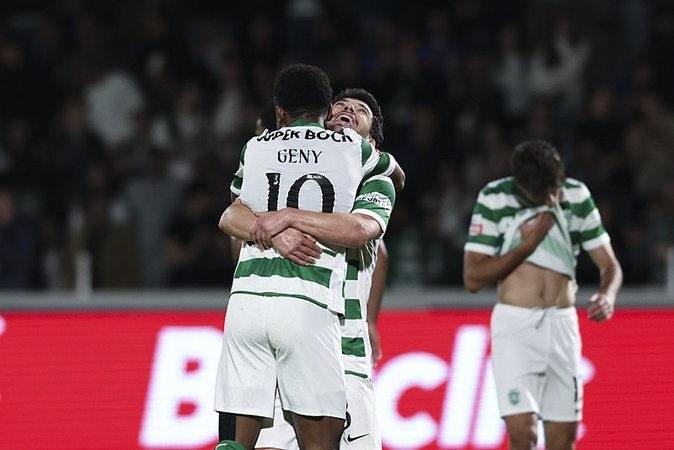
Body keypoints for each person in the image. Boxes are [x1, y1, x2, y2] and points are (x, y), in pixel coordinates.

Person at [214, 65, 390, 450]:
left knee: (242, 437)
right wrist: (280, 229)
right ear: (325, 111)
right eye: (341, 105)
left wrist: (283, 219)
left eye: (360, 110)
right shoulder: (352, 156)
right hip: (310, 314)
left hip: (334, 344)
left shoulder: (259, 149)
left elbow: (231, 215)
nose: (348, 111)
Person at [463, 140, 622, 450]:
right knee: (524, 435)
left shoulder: (576, 195)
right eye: (542, 193)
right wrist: (527, 245)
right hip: (515, 327)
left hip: (562, 325)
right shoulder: (495, 198)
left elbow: (609, 264)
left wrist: (608, 294)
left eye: (553, 189)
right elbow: (473, 278)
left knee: (563, 440)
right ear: (521, 184)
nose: (550, 198)